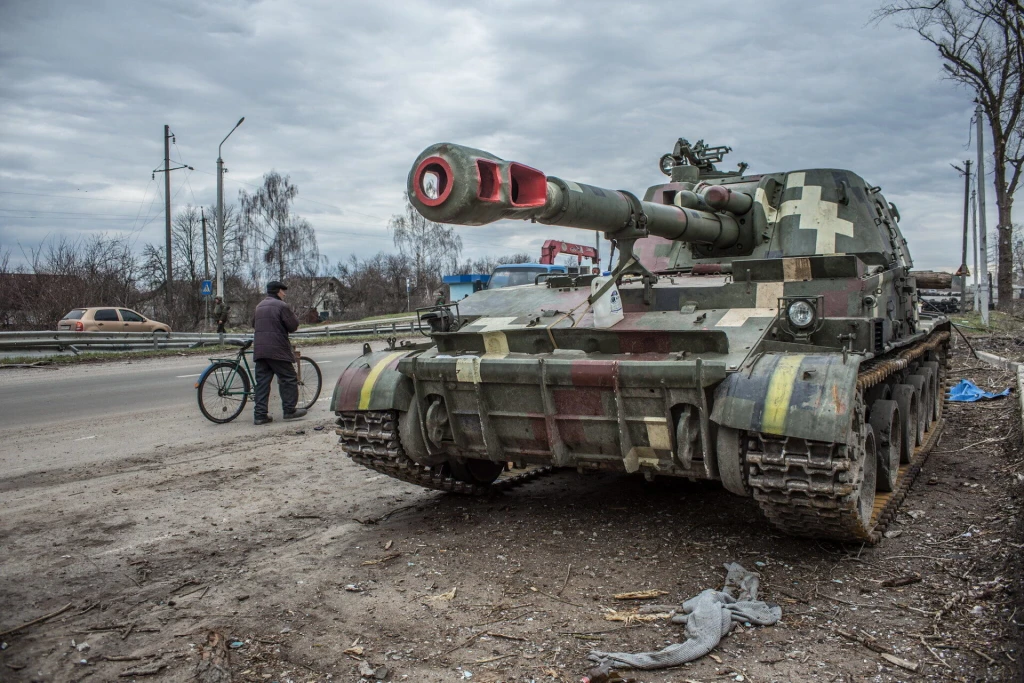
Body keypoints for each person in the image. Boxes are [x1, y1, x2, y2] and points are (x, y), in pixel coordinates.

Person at [252, 281, 306, 425]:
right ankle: (289, 410)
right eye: (283, 291)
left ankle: (260, 415)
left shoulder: (259, 306)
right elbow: (293, 325)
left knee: (262, 382)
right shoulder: (282, 306)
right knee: (288, 377)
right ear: (277, 291)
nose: (285, 293)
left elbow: (254, 324)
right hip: (277, 349)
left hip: (260, 349)